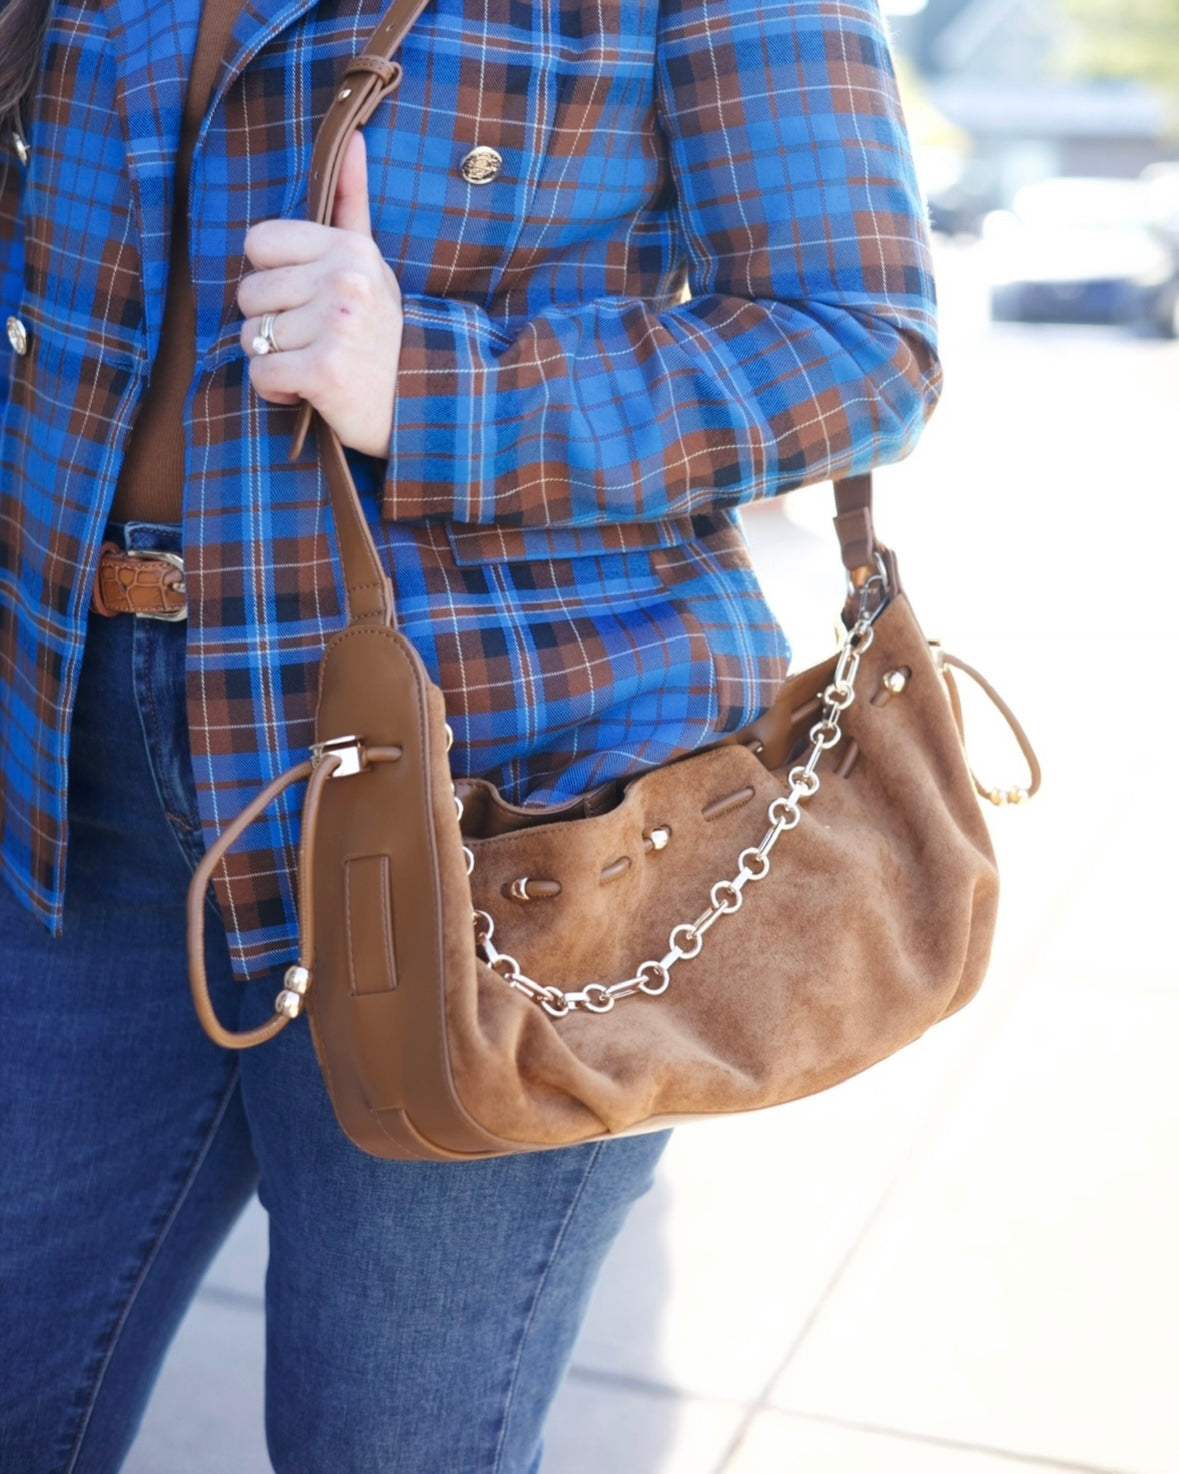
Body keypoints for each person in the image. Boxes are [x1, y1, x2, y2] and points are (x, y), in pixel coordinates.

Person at [0, 0, 941, 1468]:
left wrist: (430, 382)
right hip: (74, 777)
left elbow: (864, 349)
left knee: (390, 1445)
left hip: (497, 825)